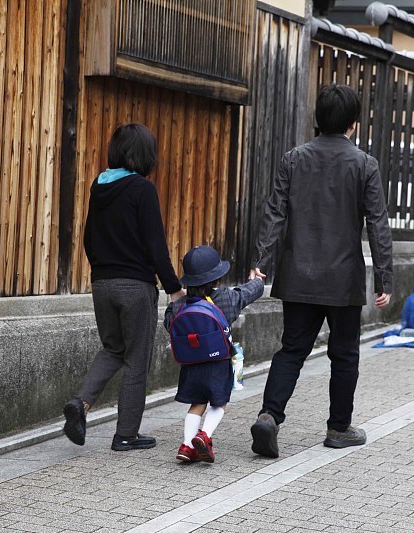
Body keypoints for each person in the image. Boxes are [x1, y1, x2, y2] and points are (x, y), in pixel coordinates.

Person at [248, 84, 393, 458]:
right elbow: (377, 224)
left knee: (292, 348)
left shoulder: (293, 159)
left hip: (298, 273)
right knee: (344, 354)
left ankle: (269, 415)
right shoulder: (365, 164)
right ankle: (338, 427)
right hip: (342, 278)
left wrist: (262, 263)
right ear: (353, 124)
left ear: (318, 119)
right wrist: (384, 278)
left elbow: (275, 214)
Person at [63, 123, 186, 452]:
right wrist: (174, 289)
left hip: (101, 284)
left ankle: (81, 402)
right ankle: (126, 434)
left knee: (113, 348)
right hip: (135, 287)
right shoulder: (142, 190)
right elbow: (156, 246)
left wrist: (102, 269)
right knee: (136, 359)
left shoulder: (98, 186)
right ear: (144, 155)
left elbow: (89, 237)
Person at [164, 246, 264, 463]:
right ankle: (204, 435)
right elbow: (250, 292)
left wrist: (176, 302)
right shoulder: (227, 299)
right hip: (218, 362)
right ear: (217, 278)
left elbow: (169, 325)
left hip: (190, 365)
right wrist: (256, 279)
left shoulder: (179, 305)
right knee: (219, 403)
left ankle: (187, 445)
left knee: (197, 404)